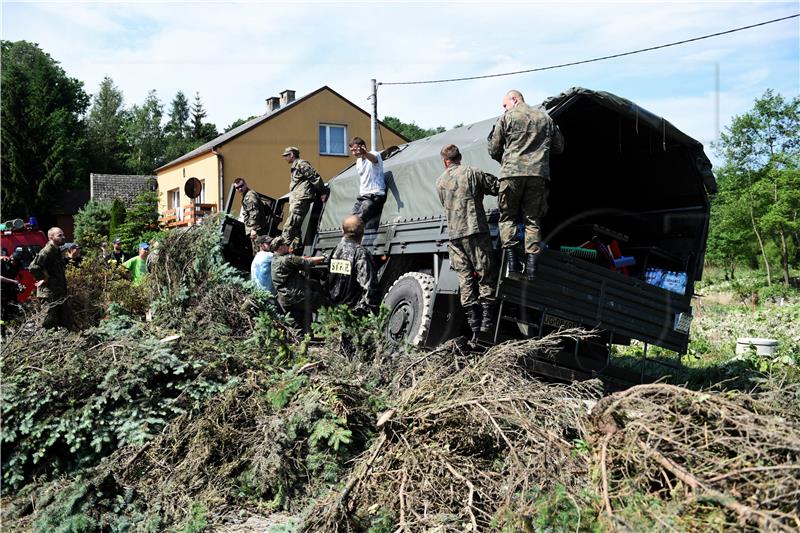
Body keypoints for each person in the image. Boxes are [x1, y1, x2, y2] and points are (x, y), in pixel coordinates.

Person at [488, 89, 564, 280]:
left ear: (514, 99)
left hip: (511, 174)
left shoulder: (507, 118)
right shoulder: (545, 118)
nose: (504, 108)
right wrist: (540, 157)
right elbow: (559, 147)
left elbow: (494, 148)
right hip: (538, 175)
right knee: (532, 220)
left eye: (505, 105)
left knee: (508, 217)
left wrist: (506, 162)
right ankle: (531, 270)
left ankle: (513, 265)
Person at [435, 144, 499, 338]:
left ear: (445, 162)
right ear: (459, 157)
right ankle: (487, 321)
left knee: (465, 279)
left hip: (454, 236)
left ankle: (474, 324)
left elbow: (445, 204)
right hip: (475, 231)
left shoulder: (439, 181)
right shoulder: (473, 173)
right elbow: (496, 188)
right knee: (486, 273)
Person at [270, 236, 327, 331]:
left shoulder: (275, 260)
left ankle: (305, 340)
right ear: (280, 248)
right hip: (297, 296)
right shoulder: (286, 259)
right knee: (326, 304)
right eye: (285, 245)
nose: (287, 246)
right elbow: (306, 262)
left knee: (299, 325)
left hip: (285, 299)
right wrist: (323, 257)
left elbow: (299, 260)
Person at [327, 215, 377, 316]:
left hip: (334, 311)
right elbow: (369, 286)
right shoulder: (360, 253)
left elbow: (327, 280)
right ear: (362, 232)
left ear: (342, 231)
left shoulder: (335, 250)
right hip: (353, 314)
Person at [281, 146, 329, 251]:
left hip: (301, 199)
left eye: (286, 156)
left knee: (291, 225)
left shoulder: (301, 164)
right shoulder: (295, 166)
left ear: (292, 155)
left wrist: (323, 192)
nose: (285, 158)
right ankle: (295, 250)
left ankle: (282, 249)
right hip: (297, 199)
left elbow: (314, 177)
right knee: (296, 229)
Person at [28, 227, 74, 329]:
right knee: (49, 322)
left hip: (58, 292)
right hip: (48, 293)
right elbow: (33, 267)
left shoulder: (56, 250)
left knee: (64, 321)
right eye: (60, 235)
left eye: (63, 235)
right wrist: (44, 277)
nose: (63, 237)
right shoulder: (47, 251)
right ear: (51, 237)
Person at [348, 137, 386, 223]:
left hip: (374, 195)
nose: (353, 153)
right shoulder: (358, 162)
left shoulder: (374, 154)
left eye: (355, 150)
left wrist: (365, 153)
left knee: (357, 221)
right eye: (351, 151)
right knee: (350, 220)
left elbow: (373, 159)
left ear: (362, 146)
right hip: (362, 196)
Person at [234, 177, 268, 253]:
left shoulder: (249, 196)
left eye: (241, 186)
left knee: (259, 253)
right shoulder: (246, 195)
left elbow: (254, 212)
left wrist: (253, 228)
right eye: (237, 187)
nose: (240, 189)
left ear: (245, 184)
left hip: (258, 230)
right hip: (258, 229)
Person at [1, 251, 26, 327]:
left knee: (13, 310)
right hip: (2, 291)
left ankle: (11, 328)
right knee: (2, 313)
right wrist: (14, 282)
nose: (15, 264)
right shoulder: (3, 263)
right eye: (14, 262)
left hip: (10, 292)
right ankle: (2, 330)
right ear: (11, 258)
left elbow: (13, 277)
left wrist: (19, 287)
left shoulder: (16, 266)